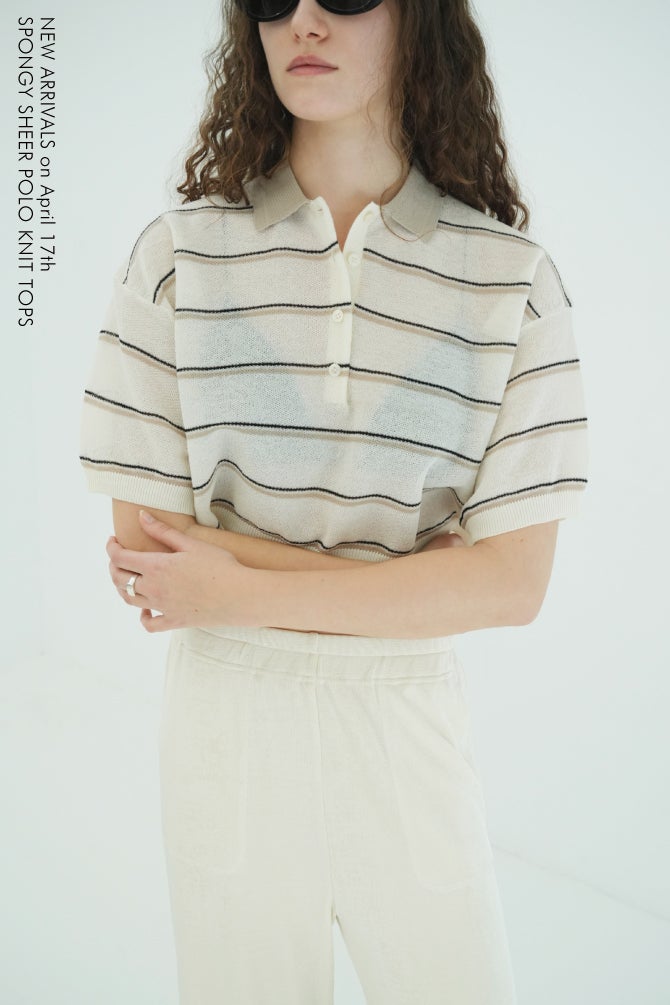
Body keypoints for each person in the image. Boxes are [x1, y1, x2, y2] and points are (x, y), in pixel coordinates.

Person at [79, 0, 588, 1001]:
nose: (304, 21)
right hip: (228, 719)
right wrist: (413, 579)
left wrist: (235, 582)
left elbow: (513, 587)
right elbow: (152, 552)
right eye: (275, 0)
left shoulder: (513, 283)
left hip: (403, 721)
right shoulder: (177, 257)